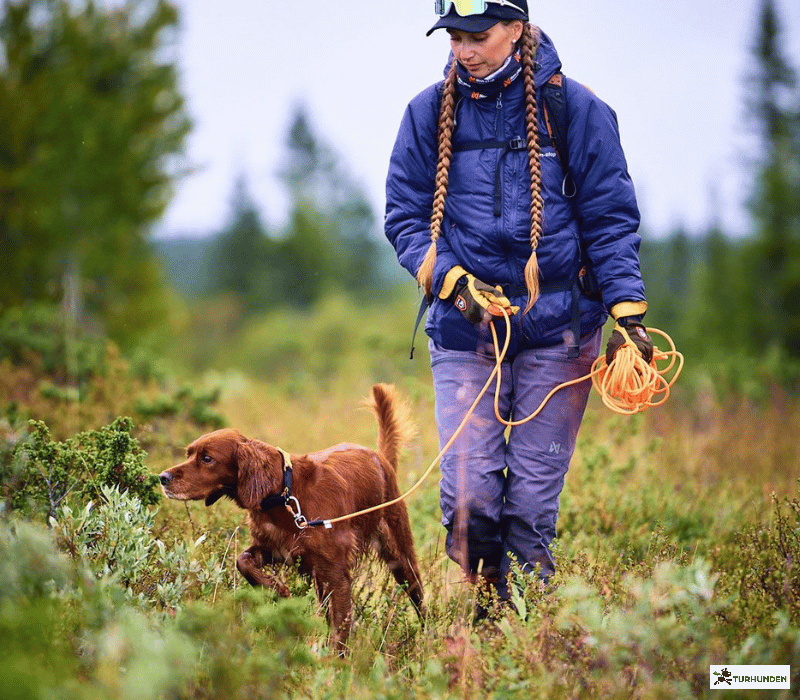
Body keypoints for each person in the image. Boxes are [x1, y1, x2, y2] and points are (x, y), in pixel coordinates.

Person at [384, 0, 653, 606]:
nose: (463, 50)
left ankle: (527, 636)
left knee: (531, 508)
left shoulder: (577, 110)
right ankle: (483, 621)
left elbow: (610, 220)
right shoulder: (427, 113)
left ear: (515, 28)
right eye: (453, 36)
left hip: (561, 337)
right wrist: (452, 282)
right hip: (464, 334)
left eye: (477, 34)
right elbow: (404, 216)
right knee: (468, 501)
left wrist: (628, 313)